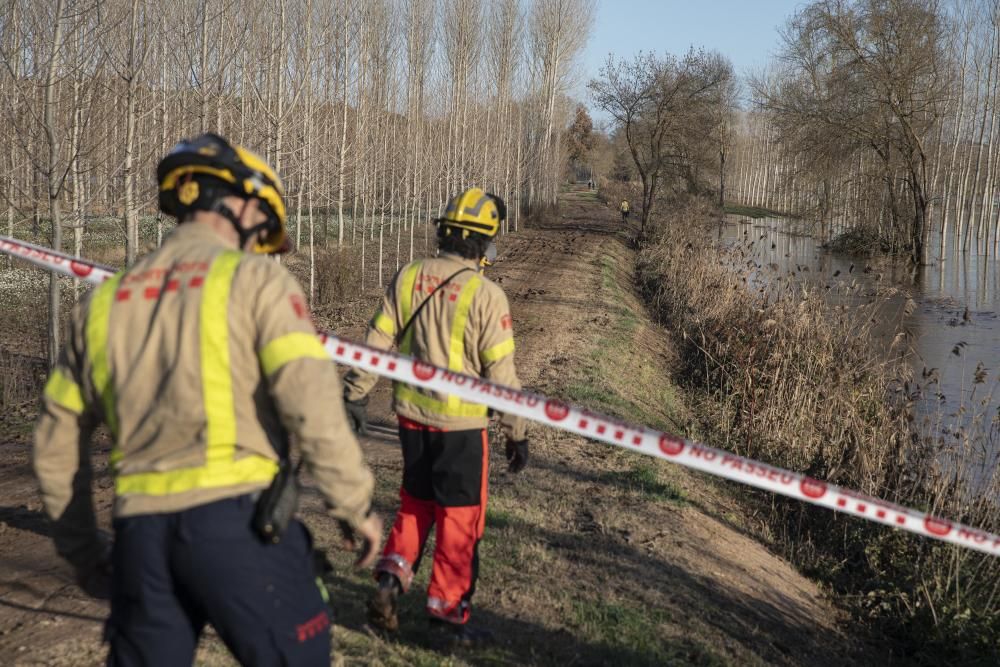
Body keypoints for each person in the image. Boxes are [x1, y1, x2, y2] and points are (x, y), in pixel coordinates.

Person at [33, 133, 382, 666]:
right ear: (240, 203)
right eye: (263, 228)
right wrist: (354, 504)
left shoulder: (103, 302)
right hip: (237, 524)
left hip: (141, 538)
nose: (260, 243)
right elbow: (310, 402)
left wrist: (83, 551)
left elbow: (57, 442)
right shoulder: (256, 280)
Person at [342, 187, 528, 644]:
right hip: (462, 430)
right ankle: (446, 616)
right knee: (460, 519)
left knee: (415, 506)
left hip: (411, 421)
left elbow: (376, 342)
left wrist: (355, 395)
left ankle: (389, 582)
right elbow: (501, 376)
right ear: (485, 244)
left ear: (443, 233)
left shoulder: (408, 277)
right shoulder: (487, 296)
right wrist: (516, 432)